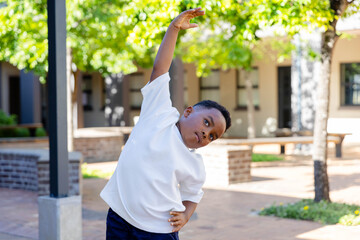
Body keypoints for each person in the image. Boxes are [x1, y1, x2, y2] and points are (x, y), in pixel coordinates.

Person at [100, 8, 231, 240]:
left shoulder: (193, 164)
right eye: (207, 122)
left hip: (158, 231)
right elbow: (160, 69)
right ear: (188, 111)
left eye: (213, 136)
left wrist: (187, 215)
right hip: (120, 217)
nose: (206, 133)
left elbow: (193, 194)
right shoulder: (158, 113)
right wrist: (173, 29)